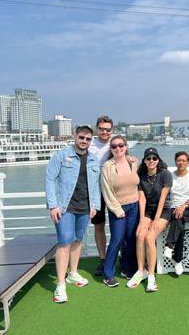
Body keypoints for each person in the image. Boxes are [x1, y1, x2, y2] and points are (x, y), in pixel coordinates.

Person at [46, 125, 101, 303]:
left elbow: (95, 185)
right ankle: (60, 285)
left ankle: (73, 273)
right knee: (64, 242)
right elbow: (49, 178)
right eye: (81, 138)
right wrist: (52, 205)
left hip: (85, 207)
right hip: (64, 207)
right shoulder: (62, 155)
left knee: (78, 240)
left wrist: (95, 205)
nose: (84, 141)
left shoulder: (93, 160)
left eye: (88, 139)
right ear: (75, 137)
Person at [127, 147, 172, 292]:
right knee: (140, 234)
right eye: (148, 158)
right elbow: (142, 199)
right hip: (148, 210)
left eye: (154, 158)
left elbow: (163, 198)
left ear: (158, 160)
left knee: (149, 237)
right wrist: (142, 219)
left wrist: (156, 219)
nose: (151, 161)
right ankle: (141, 271)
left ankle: (151, 276)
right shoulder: (141, 175)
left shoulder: (165, 174)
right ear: (144, 161)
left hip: (163, 210)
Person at [101, 135, 140, 287]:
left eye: (121, 145)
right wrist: (117, 210)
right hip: (118, 207)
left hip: (135, 205)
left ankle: (127, 267)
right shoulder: (108, 166)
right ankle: (108, 274)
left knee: (130, 238)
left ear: (126, 146)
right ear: (111, 149)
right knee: (117, 239)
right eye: (114, 146)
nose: (118, 148)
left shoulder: (134, 162)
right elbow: (106, 191)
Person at [164, 151, 189, 276]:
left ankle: (169, 246)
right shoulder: (170, 176)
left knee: (178, 216)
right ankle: (178, 260)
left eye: (183, 160)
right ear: (175, 162)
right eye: (179, 160)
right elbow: (164, 193)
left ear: (187, 162)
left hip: (188, 208)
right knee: (177, 219)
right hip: (172, 209)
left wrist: (183, 206)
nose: (181, 163)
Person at [88, 115, 113, 276]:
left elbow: (127, 158)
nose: (104, 132)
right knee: (99, 226)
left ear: (112, 130)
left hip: (113, 191)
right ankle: (103, 259)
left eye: (107, 129)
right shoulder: (89, 145)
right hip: (95, 192)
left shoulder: (116, 144)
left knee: (119, 226)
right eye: (102, 129)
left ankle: (123, 258)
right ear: (98, 129)